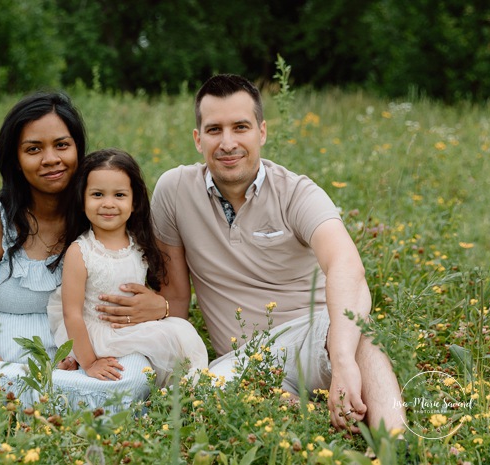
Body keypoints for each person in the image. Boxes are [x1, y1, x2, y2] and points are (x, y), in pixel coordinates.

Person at [99, 74, 405, 433]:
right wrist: (156, 314)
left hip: (312, 335)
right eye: (214, 130)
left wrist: (342, 362)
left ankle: (397, 444)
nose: (228, 142)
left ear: (261, 132)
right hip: (240, 360)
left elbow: (346, 266)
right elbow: (177, 296)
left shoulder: (296, 193)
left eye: (240, 127)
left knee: (361, 338)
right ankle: (333, 420)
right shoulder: (175, 191)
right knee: (202, 389)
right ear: (198, 139)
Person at [0, 92, 157, 430]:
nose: (51, 158)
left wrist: (159, 307)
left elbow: (145, 285)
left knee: (136, 378)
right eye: (34, 149)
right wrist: (13, 379)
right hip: (0, 367)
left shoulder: (101, 213)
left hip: (85, 364)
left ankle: (6, 416)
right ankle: (56, 409)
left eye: (62, 145)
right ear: (15, 159)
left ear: (78, 149)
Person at [47, 149, 207, 387]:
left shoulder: (139, 245)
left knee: (182, 333)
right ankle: (82, 363)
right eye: (98, 194)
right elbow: (72, 314)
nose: (108, 204)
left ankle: (187, 394)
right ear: (82, 200)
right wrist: (90, 362)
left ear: (134, 203)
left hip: (132, 329)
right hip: (98, 332)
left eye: (119, 195)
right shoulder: (80, 252)